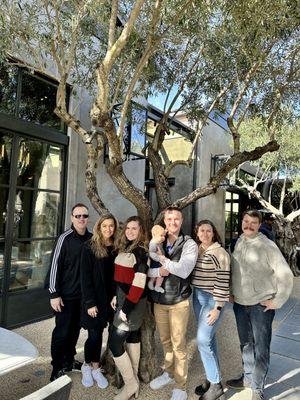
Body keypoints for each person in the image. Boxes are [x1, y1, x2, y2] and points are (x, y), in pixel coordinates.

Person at [227, 210, 294, 400]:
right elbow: (235, 270)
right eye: (245, 221)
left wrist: (277, 300)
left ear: (259, 225)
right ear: (242, 222)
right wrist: (232, 291)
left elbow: (285, 275)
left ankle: (257, 387)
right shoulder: (239, 241)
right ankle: (248, 378)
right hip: (240, 304)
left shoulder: (268, 245)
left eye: (253, 222)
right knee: (246, 344)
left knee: (261, 347)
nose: (248, 225)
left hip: (260, 306)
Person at [149, 206, 198, 400]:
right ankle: (168, 373)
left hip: (179, 300)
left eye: (176, 219)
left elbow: (184, 270)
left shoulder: (189, 244)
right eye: (169, 219)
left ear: (182, 220)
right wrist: (158, 270)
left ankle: (181, 385)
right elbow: (149, 267)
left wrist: (164, 262)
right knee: (165, 341)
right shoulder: (158, 241)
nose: (172, 223)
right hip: (160, 300)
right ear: (164, 221)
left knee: (179, 344)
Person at [46, 203, 92, 381]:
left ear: (88, 218)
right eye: (78, 216)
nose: (81, 219)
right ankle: (57, 366)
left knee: (75, 331)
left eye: (84, 216)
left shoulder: (91, 238)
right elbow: (54, 267)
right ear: (72, 218)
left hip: (83, 297)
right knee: (62, 332)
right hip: (65, 297)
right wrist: (53, 294)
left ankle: (69, 361)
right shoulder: (64, 238)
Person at [109, 216, 148, 400]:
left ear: (141, 232)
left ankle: (130, 384)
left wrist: (125, 309)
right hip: (124, 299)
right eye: (128, 228)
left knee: (115, 342)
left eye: (135, 229)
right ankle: (134, 385)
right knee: (132, 336)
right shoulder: (125, 248)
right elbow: (121, 278)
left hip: (134, 302)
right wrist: (116, 295)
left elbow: (138, 286)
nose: (130, 231)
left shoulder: (141, 252)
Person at [191, 220, 230, 400]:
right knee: (210, 340)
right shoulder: (198, 249)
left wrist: (218, 307)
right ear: (197, 233)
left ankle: (215, 385)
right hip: (197, 297)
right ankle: (211, 379)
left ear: (213, 233)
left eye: (209, 231)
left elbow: (222, 282)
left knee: (202, 340)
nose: (205, 234)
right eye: (202, 231)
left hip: (212, 300)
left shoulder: (219, 253)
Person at [80, 214, 118, 389]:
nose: (108, 229)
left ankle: (97, 366)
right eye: (105, 226)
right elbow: (85, 277)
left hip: (112, 300)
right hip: (95, 299)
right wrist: (89, 303)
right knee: (94, 335)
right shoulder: (89, 247)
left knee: (109, 333)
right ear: (99, 227)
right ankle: (89, 366)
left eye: (111, 226)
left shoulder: (118, 247)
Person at [148, 224, 166, 293]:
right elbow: (151, 253)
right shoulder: (153, 243)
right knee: (157, 274)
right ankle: (151, 282)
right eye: (161, 236)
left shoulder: (158, 242)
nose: (163, 237)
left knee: (161, 275)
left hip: (159, 261)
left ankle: (157, 286)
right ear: (154, 235)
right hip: (155, 262)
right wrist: (159, 258)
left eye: (164, 235)